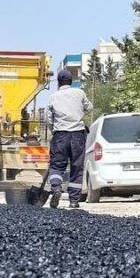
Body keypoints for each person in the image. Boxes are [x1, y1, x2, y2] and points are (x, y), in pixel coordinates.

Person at [47, 68, 93, 208]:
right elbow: (89, 107)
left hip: (60, 135)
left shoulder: (54, 97)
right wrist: (79, 113)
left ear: (59, 82)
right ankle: (73, 200)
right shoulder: (79, 93)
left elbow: (49, 119)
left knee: (57, 165)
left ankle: (56, 188)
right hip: (77, 135)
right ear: (71, 81)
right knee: (76, 167)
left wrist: (53, 131)